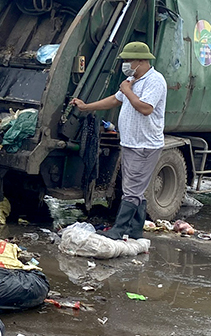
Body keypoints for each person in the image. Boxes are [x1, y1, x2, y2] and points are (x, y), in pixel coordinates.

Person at [70, 41, 166, 239]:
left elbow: (146, 108)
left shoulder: (154, 81)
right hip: (131, 143)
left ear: (141, 61)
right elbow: (115, 99)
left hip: (145, 145)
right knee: (134, 189)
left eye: (129, 60)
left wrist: (127, 90)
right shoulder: (132, 80)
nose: (126, 64)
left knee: (132, 190)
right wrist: (87, 107)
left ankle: (119, 230)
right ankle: (135, 231)